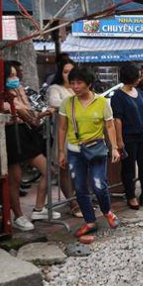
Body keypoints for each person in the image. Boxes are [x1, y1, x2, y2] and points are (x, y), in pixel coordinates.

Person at [0, 62, 58, 232]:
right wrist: (29, 112)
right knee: (15, 180)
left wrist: (37, 113)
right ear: (1, 78)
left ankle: (38, 209)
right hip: (9, 136)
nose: (15, 79)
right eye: (11, 76)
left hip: (24, 133)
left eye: (16, 75)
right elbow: (26, 114)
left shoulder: (18, 90)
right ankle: (18, 216)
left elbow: (30, 114)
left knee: (48, 170)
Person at [57, 68, 120, 238]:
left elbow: (109, 125)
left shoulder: (102, 102)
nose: (75, 87)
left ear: (89, 84)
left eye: (79, 83)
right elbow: (62, 128)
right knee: (79, 188)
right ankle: (90, 221)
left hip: (96, 149)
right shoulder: (67, 103)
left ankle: (107, 211)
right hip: (74, 152)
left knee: (99, 186)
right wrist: (61, 152)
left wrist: (114, 147)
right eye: (73, 83)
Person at [111, 64, 143, 210]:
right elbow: (117, 119)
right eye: (137, 75)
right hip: (127, 136)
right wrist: (119, 140)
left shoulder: (139, 92)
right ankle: (131, 196)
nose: (139, 78)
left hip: (141, 134)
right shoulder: (118, 96)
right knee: (128, 168)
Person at [46, 59, 80, 217]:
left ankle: (80, 199)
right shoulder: (55, 88)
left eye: (71, 71)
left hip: (80, 135)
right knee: (64, 169)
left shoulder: (77, 88)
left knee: (79, 170)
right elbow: (54, 102)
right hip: (63, 135)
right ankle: (72, 203)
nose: (68, 75)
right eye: (65, 72)